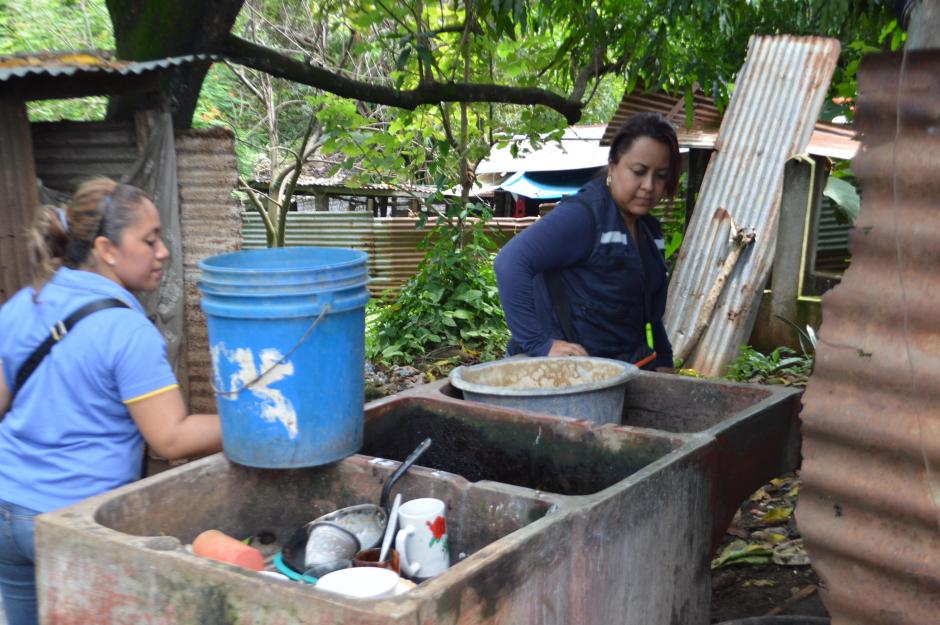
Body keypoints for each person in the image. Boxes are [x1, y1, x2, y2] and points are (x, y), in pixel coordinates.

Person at [0, 178, 223, 625]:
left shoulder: (24, 304)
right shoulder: (126, 330)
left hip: (6, 509)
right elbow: (171, 438)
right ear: (106, 249)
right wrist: (261, 422)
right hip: (74, 523)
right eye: (150, 239)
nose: (163, 251)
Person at [494, 113, 681, 372]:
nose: (649, 185)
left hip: (626, 370)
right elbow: (510, 262)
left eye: (660, 175)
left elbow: (647, 310)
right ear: (613, 166)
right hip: (572, 377)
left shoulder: (650, 231)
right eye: (638, 172)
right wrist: (539, 343)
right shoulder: (584, 216)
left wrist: (664, 359)